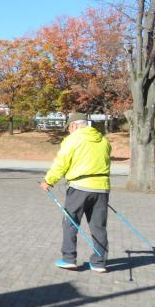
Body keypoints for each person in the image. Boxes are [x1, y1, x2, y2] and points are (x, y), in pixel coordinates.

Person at [40, 113, 111, 273]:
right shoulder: (104, 140)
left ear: (74, 126)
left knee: (70, 222)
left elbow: (61, 163)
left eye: (69, 128)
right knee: (98, 226)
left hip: (79, 186)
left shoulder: (72, 140)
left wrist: (49, 181)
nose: (69, 131)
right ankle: (99, 263)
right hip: (101, 187)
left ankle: (69, 258)